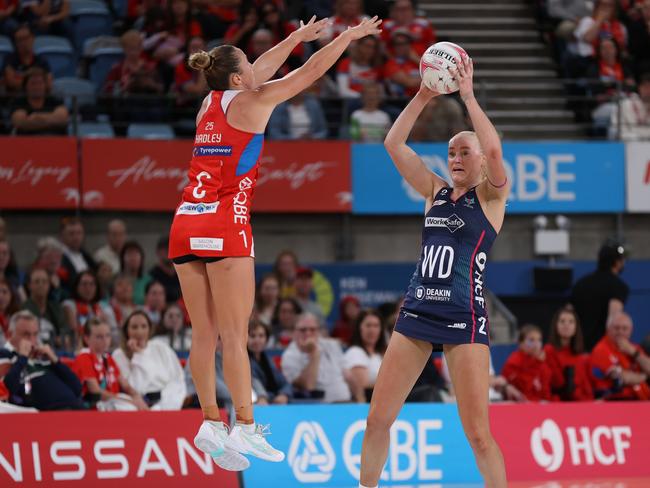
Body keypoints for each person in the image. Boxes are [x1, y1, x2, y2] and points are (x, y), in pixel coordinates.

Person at [166, 14, 380, 470]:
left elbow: (260, 66)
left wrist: (296, 37)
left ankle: (209, 422)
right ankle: (244, 425)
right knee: (235, 336)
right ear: (241, 77)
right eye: (249, 66)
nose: (256, 70)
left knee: (202, 335)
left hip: (185, 221)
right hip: (226, 224)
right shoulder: (254, 103)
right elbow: (309, 74)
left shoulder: (209, 102)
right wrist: (347, 36)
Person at [358, 54, 509, 488]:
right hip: (419, 312)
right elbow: (393, 143)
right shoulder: (434, 191)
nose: (457, 158)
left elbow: (495, 147)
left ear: (481, 161)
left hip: (466, 317)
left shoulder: (493, 200)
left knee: (479, 435)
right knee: (376, 420)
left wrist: (468, 97)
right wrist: (424, 93)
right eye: (451, 152)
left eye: (465, 152)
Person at [0, 311, 83, 410]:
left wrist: (55, 361)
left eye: (35, 334)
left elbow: (77, 388)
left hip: (74, 411)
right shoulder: (4, 355)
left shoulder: (42, 356)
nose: (32, 340)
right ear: (9, 334)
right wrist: (22, 358)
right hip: (43, 417)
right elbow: (6, 391)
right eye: (26, 334)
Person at [112, 310, 187, 409]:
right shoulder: (119, 354)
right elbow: (135, 386)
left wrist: (162, 403)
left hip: (166, 399)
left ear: (149, 329)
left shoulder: (160, 347)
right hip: (136, 401)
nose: (139, 331)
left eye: (144, 326)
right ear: (127, 330)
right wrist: (138, 354)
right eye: (134, 327)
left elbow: (177, 379)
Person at [74, 318, 149, 411]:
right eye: (99, 337)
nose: (105, 340)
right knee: (131, 407)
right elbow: (95, 390)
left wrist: (136, 396)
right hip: (98, 406)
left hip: (115, 402)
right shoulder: (83, 357)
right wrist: (128, 401)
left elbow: (125, 385)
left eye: (107, 335)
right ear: (86, 338)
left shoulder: (108, 358)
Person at [570, 240, 629, 351]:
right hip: (601, 349)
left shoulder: (580, 284)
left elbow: (570, 313)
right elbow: (614, 320)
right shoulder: (618, 286)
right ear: (617, 262)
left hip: (577, 347)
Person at [281, 312, 351, 402]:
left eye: (312, 329)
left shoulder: (331, 345)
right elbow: (309, 385)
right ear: (294, 332)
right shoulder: (289, 355)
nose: (308, 333)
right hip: (317, 407)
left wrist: (360, 398)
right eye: (303, 330)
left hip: (346, 402)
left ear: (318, 331)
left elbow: (348, 375)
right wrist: (314, 353)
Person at [590, 311, 650, 400]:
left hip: (642, 398)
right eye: (616, 328)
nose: (620, 332)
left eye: (624, 328)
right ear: (608, 329)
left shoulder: (633, 348)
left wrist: (634, 353)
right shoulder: (600, 350)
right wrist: (645, 376)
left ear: (631, 330)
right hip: (616, 400)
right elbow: (624, 378)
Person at [544, 305, 594, 401]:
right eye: (562, 321)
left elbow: (586, 386)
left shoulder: (582, 356)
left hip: (582, 403)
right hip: (558, 403)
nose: (566, 325)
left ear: (576, 327)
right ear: (556, 325)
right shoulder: (548, 351)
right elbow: (557, 383)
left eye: (571, 322)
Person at [344, 309, 387, 403]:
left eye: (376, 326)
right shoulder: (355, 352)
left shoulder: (379, 354)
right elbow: (363, 385)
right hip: (366, 403)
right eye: (368, 325)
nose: (372, 330)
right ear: (359, 328)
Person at [22, 267, 71, 350]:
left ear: (49, 285)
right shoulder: (23, 309)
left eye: (44, 282)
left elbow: (65, 331)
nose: (41, 285)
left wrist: (63, 338)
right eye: (37, 281)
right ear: (29, 285)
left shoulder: (56, 308)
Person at [10, 66, 68, 136]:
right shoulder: (19, 102)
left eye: (40, 83)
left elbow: (62, 118)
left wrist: (35, 117)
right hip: (26, 143)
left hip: (54, 141)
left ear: (45, 85)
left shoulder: (55, 100)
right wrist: (51, 119)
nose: (37, 87)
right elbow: (19, 122)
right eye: (33, 83)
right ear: (25, 86)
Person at [501, 325, 553, 402]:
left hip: (539, 407)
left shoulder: (543, 364)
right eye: (531, 340)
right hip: (517, 407)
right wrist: (537, 364)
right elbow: (524, 389)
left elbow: (546, 393)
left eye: (539, 340)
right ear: (521, 343)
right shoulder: (514, 361)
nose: (536, 344)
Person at [247, 320, 292, 404]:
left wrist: (284, 394)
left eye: (261, 336)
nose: (257, 340)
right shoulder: (243, 361)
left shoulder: (269, 360)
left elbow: (285, 383)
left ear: (266, 339)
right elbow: (252, 383)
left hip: (272, 404)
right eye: (252, 336)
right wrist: (266, 397)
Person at [1, 24, 51, 94]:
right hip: (14, 100)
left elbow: (48, 84)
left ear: (33, 38)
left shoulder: (41, 61)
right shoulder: (9, 60)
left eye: (26, 38)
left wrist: (21, 77)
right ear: (15, 43)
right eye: (19, 40)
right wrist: (31, 74)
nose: (23, 43)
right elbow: (12, 82)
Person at [58, 217, 97, 290]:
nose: (76, 237)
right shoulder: (57, 258)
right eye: (71, 233)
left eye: (79, 233)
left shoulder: (87, 256)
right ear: (62, 236)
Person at [611, 72, 650, 140]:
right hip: (630, 143)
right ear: (639, 88)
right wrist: (636, 138)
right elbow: (617, 129)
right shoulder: (625, 104)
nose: (649, 91)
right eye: (646, 87)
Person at [120, 240, 151, 305]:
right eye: (129, 253)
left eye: (136, 254)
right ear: (122, 258)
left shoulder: (149, 281)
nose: (133, 257)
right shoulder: (116, 280)